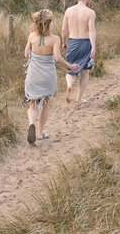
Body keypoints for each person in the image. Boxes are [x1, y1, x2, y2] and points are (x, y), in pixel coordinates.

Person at [23, 9, 79, 144]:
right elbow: (57, 58)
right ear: (49, 23)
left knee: (32, 104)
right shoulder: (54, 39)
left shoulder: (32, 36)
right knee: (45, 104)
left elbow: (26, 54)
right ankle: (40, 133)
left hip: (33, 74)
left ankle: (31, 122)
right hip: (47, 76)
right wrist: (70, 66)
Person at [61, 0, 97, 104]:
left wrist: (64, 42)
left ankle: (69, 85)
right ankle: (79, 98)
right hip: (85, 43)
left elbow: (63, 30)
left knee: (71, 69)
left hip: (73, 41)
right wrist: (93, 47)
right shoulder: (90, 12)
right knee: (85, 71)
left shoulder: (69, 10)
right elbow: (91, 30)